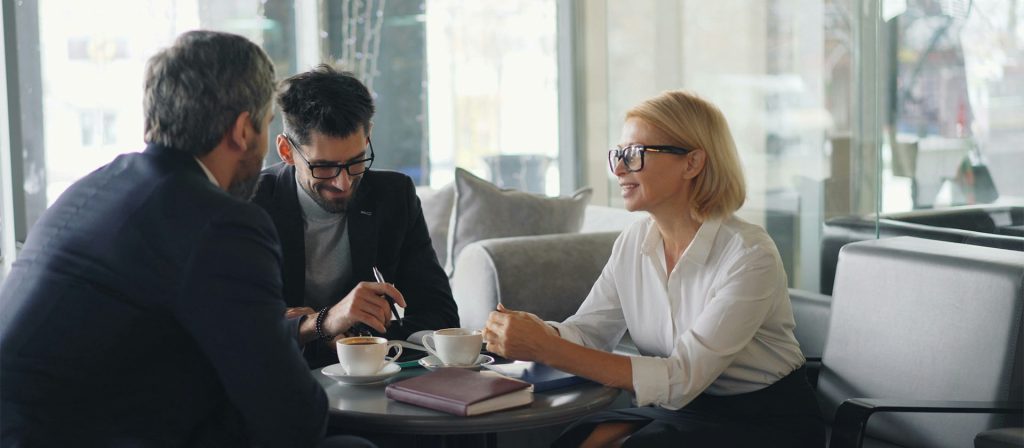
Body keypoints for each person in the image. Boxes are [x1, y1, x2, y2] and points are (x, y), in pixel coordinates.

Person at [0, 31, 370, 447]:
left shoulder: (94, 189)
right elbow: (294, 421)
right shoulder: (219, 223)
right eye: (266, 125)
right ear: (242, 130)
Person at [483, 90, 825, 447]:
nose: (618, 169)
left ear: (692, 163)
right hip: (679, 408)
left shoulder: (750, 254)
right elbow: (588, 332)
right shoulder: (633, 242)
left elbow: (680, 379)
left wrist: (545, 348)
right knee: (580, 439)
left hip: (765, 419)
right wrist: (538, 333)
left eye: (634, 155)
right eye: (618, 155)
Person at [251, 65, 459, 369]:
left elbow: (440, 316)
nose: (343, 183)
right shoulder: (252, 205)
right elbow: (243, 331)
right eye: (323, 167)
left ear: (368, 137)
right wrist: (327, 321)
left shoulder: (394, 196)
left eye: (356, 161)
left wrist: (346, 333)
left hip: (375, 379)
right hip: (281, 380)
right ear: (286, 151)